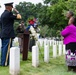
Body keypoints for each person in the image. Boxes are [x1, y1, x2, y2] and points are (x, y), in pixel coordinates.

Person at [0, 2, 21, 66]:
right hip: (8, 34)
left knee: (3, 48)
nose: (12, 8)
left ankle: (2, 62)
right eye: (11, 7)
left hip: (3, 33)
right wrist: (17, 11)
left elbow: (1, 25)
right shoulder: (9, 14)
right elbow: (19, 17)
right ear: (9, 7)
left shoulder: (2, 14)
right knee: (7, 49)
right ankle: (5, 63)